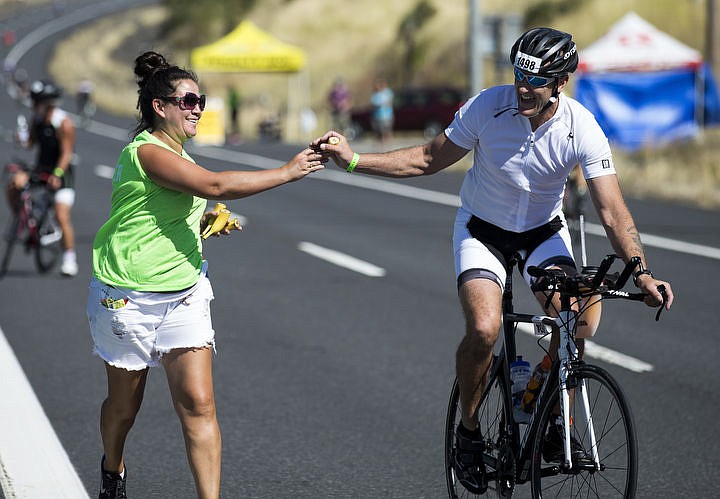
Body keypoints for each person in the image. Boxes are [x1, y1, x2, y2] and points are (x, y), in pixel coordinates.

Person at [315, 27, 674, 494]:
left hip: (542, 234)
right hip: (482, 231)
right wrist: (353, 160)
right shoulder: (489, 106)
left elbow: (611, 209)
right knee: (484, 329)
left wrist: (642, 272)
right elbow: (428, 158)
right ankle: (468, 430)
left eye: (536, 80)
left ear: (561, 81)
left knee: (578, 319)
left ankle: (550, 415)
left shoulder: (582, 127)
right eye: (519, 76)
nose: (523, 87)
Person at [87, 51, 327, 499]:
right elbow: (213, 185)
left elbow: (172, 209)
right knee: (124, 406)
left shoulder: (180, 156)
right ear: (160, 107)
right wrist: (289, 171)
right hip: (127, 294)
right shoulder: (146, 152)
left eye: (202, 99)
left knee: (199, 404)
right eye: (189, 100)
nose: (198, 107)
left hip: (183, 290)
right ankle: (112, 468)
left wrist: (201, 225)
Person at [7, 78, 78, 276]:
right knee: (14, 184)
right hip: (40, 169)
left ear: (48, 103)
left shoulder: (64, 123)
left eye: (38, 102)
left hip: (61, 174)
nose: (34, 106)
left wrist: (57, 173)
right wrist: (20, 138)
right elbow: (30, 143)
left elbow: (66, 153)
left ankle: (69, 259)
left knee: (61, 215)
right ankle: (21, 221)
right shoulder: (36, 120)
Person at [370, 77, 394, 144]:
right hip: (377, 115)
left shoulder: (388, 92)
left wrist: (383, 104)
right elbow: (373, 103)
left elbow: (389, 102)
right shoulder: (375, 93)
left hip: (387, 115)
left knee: (387, 130)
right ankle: (380, 146)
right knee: (378, 132)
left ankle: (389, 144)